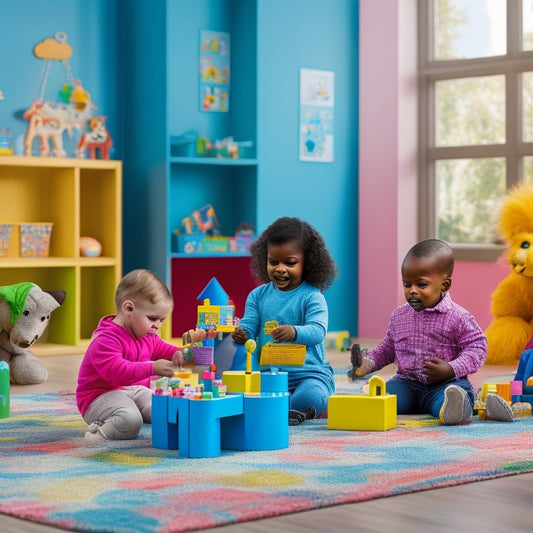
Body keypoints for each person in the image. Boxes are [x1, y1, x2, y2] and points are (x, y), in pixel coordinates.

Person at [355, 238, 487, 425]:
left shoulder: (459, 317)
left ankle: (456, 408)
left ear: (444, 285)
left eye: (421, 285)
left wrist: (451, 369)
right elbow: (388, 347)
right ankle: (371, 405)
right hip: (407, 383)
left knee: (451, 396)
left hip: (444, 385)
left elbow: (477, 348)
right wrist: (369, 362)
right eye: (407, 285)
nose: (412, 291)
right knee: (381, 397)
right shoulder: (399, 316)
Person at [232, 216, 338, 425]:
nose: (280, 269)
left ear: (308, 263)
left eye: (290, 263)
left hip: (309, 373)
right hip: (268, 374)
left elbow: (318, 331)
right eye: (273, 262)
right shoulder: (257, 296)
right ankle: (284, 408)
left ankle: (291, 407)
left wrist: (294, 332)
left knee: (310, 397)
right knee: (239, 392)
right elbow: (249, 325)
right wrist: (242, 333)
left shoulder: (312, 296)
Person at [76, 269, 184, 443]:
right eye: (152, 318)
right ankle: (99, 434)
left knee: (163, 406)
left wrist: (179, 353)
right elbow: (117, 372)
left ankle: (134, 413)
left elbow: (165, 348)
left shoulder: (147, 335)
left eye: (161, 320)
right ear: (129, 308)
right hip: (99, 396)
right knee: (131, 421)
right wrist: (153, 367)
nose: (157, 325)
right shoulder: (106, 339)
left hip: (134, 391)